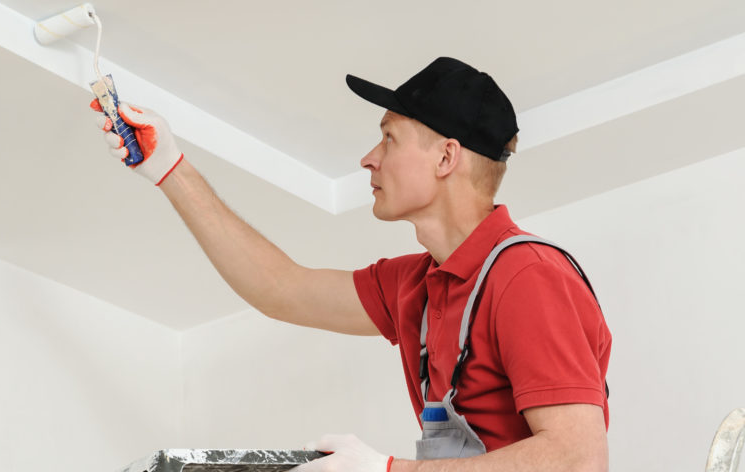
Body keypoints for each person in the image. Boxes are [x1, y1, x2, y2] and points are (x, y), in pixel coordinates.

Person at [90, 57, 611, 472]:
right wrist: (169, 168)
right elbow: (281, 288)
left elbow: (577, 458)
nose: (368, 158)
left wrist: (387, 471)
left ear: (446, 158)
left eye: (389, 137)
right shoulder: (418, 285)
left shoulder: (527, 276)